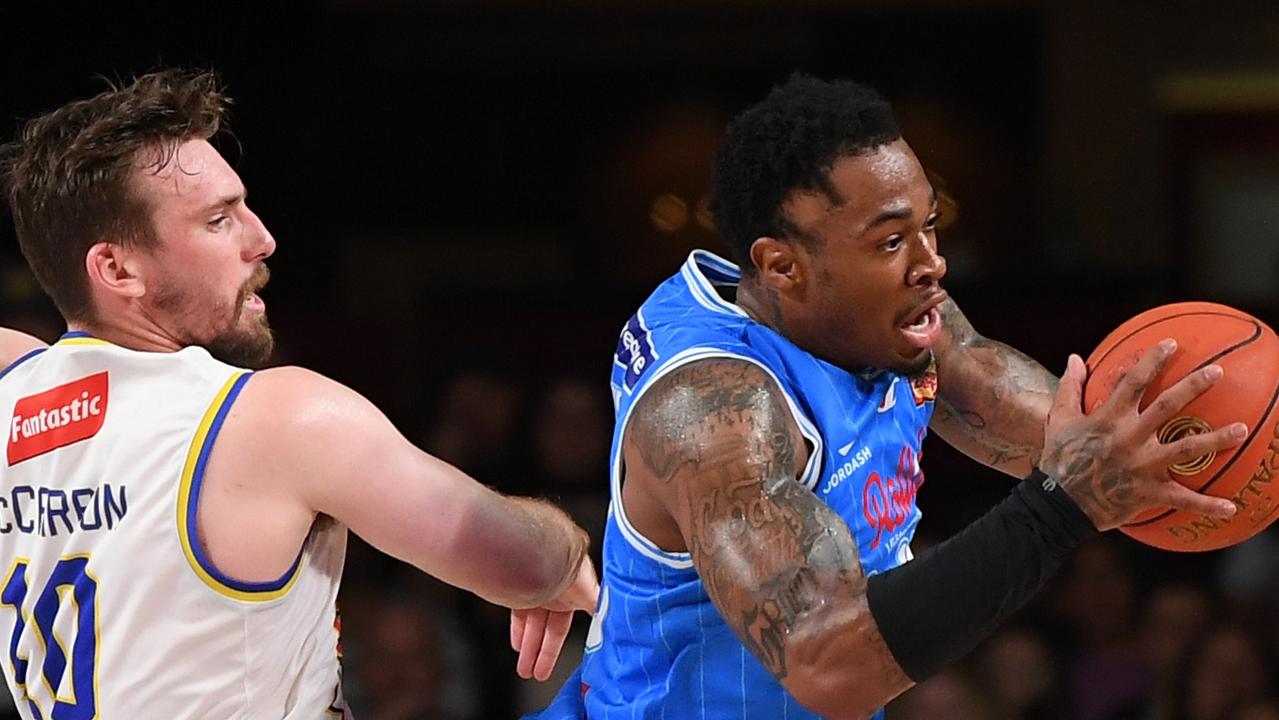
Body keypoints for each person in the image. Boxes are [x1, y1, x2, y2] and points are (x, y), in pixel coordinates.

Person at [528, 74, 1244, 720]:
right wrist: (1062, 507)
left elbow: (990, 387)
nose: (931, 261)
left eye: (928, 225)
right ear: (781, 265)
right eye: (891, 240)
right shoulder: (713, 415)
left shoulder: (875, 309)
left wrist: (1187, 452)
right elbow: (830, 667)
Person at [0, 69, 597, 719]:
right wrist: (564, 548)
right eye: (219, 221)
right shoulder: (277, 420)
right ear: (116, 268)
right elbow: (523, 562)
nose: (262, 239)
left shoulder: (11, 385)